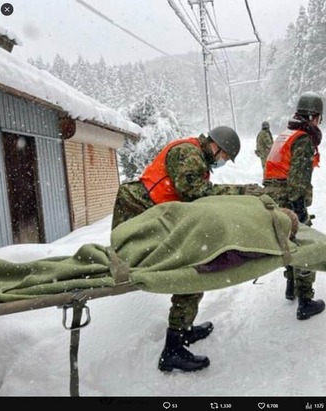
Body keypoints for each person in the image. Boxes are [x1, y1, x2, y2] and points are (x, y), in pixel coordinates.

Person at [112, 125, 263, 373]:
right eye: (225, 156)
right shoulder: (189, 154)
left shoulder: (196, 155)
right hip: (140, 214)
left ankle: (184, 330)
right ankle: (173, 349)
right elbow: (196, 194)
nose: (223, 161)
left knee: (196, 264)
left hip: (154, 213)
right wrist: (241, 191)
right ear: (215, 146)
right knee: (191, 269)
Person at [262, 91, 326, 320]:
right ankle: (305, 300)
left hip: (272, 197)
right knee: (305, 245)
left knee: (287, 241)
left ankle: (291, 286)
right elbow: (298, 180)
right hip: (288, 197)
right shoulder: (303, 140)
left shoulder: (285, 135)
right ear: (315, 117)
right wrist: (300, 211)